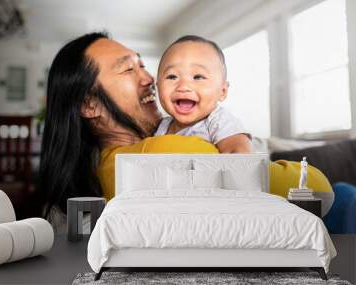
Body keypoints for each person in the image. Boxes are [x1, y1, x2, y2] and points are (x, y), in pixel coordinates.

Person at [39, 32, 333, 219]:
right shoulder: (156, 153)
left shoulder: (101, 165)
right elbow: (316, 186)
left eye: (142, 65)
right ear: (89, 105)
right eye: (129, 68)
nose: (148, 79)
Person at [155, 35, 251, 153]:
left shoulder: (219, 121)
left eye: (198, 77)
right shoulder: (162, 127)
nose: (184, 86)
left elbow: (240, 157)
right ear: (158, 86)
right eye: (172, 76)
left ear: (222, 91)